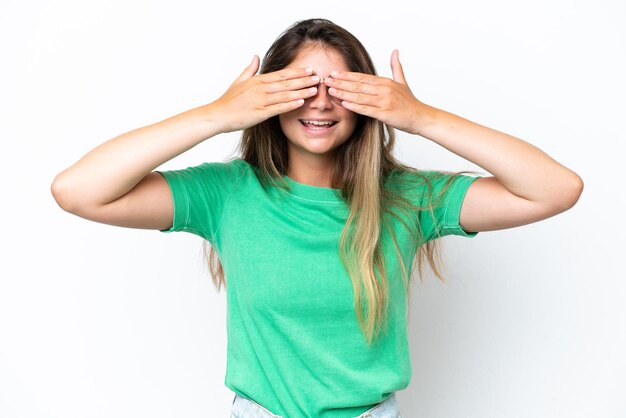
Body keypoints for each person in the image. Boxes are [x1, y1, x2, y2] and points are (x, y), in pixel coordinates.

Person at [51, 17, 583, 418]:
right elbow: (77, 191)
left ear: (368, 98)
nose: (321, 103)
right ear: (268, 96)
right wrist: (217, 115)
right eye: (302, 85)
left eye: (341, 87)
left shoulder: (407, 197)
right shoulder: (227, 194)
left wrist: (423, 117)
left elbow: (557, 190)